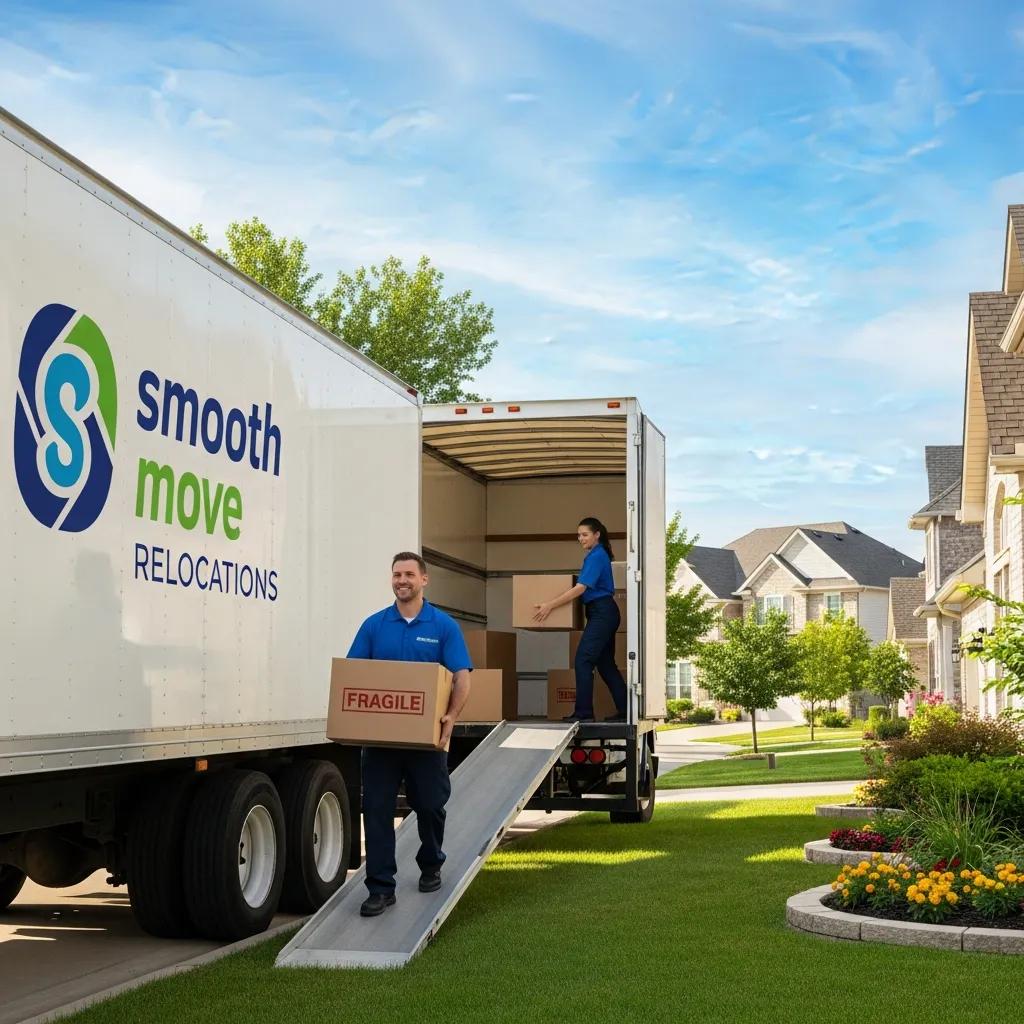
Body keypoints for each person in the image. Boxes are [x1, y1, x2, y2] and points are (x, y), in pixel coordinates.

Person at [347, 551, 472, 917]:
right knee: (376, 809)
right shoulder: (374, 625)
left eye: (408, 575)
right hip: (382, 742)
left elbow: (462, 675)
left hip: (426, 741)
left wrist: (450, 716)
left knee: (431, 805)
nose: (402, 581)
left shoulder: (443, 626)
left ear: (424, 580)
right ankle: (381, 888)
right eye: (396, 575)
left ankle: (431, 861)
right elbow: (354, 675)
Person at [532, 517, 627, 723]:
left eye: (584, 534)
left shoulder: (596, 556)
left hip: (602, 613)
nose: (580, 539)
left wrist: (550, 604)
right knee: (606, 665)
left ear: (597, 534)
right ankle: (626, 710)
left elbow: (581, 588)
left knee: (583, 660)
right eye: (578, 535)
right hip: (603, 613)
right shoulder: (597, 555)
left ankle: (584, 713)